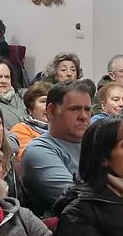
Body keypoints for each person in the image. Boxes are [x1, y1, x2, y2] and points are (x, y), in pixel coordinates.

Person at [19, 82, 91, 214]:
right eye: (74, 109)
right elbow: (80, 203)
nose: (83, 116)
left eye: (87, 109)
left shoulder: (94, 143)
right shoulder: (39, 152)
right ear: (51, 111)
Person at [8, 81, 51, 159]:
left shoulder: (63, 129)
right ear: (30, 108)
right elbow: (30, 158)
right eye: (43, 101)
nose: (48, 106)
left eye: (52, 102)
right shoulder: (21, 129)